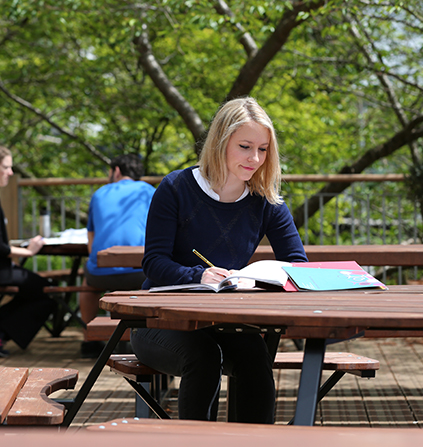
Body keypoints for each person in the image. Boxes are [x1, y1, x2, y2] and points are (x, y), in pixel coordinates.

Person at [131, 97, 308, 423]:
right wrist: (199, 277)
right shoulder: (176, 188)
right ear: (220, 141)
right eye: (244, 146)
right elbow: (154, 263)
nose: (255, 158)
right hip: (158, 323)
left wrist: (257, 282)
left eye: (263, 149)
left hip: (227, 323)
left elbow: (297, 263)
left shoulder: (265, 198)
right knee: (204, 357)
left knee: (256, 357)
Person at [79, 153, 156, 357]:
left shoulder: (99, 193)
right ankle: (150, 337)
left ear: (117, 171)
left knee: (88, 283)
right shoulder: (149, 191)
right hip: (139, 273)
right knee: (157, 280)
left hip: (101, 274)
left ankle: (89, 339)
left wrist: (95, 261)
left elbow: (91, 236)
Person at [0, 145, 56, 357]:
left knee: (37, 290)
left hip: (5, 268)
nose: (11, 172)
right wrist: (29, 252)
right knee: (47, 290)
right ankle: (2, 332)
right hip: (2, 271)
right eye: (6, 167)